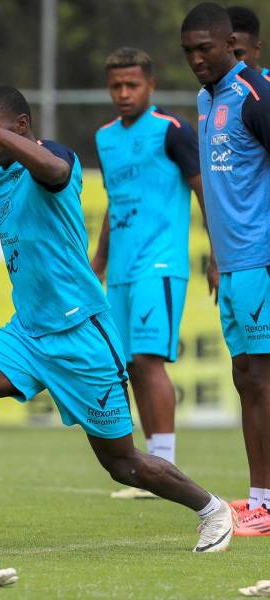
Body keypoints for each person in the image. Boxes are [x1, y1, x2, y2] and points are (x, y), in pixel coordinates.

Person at [0, 85, 234, 556]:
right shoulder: (3, 172)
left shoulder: (52, 159)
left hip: (81, 335)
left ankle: (212, 509)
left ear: (20, 126)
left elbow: (56, 169)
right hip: (28, 333)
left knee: (124, 465)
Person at [91, 47, 214, 499]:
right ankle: (149, 467)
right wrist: (99, 262)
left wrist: (219, 256)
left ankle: (165, 466)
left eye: (132, 85)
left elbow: (205, 192)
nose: (123, 94)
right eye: (116, 86)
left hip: (159, 265)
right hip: (120, 270)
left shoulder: (172, 131)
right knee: (126, 366)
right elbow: (114, 202)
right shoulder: (105, 137)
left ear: (151, 86)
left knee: (147, 360)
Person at [182, 2, 270, 536]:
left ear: (229, 45)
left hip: (262, 260)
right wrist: (217, 254)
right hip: (233, 265)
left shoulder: (255, 94)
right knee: (247, 378)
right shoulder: (204, 98)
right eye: (189, 51)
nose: (197, 60)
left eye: (206, 49)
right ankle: (259, 496)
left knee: (262, 377)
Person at [228, 6, 270, 80]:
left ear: (257, 50)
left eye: (237, 54)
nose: (230, 62)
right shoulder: (212, 89)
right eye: (226, 55)